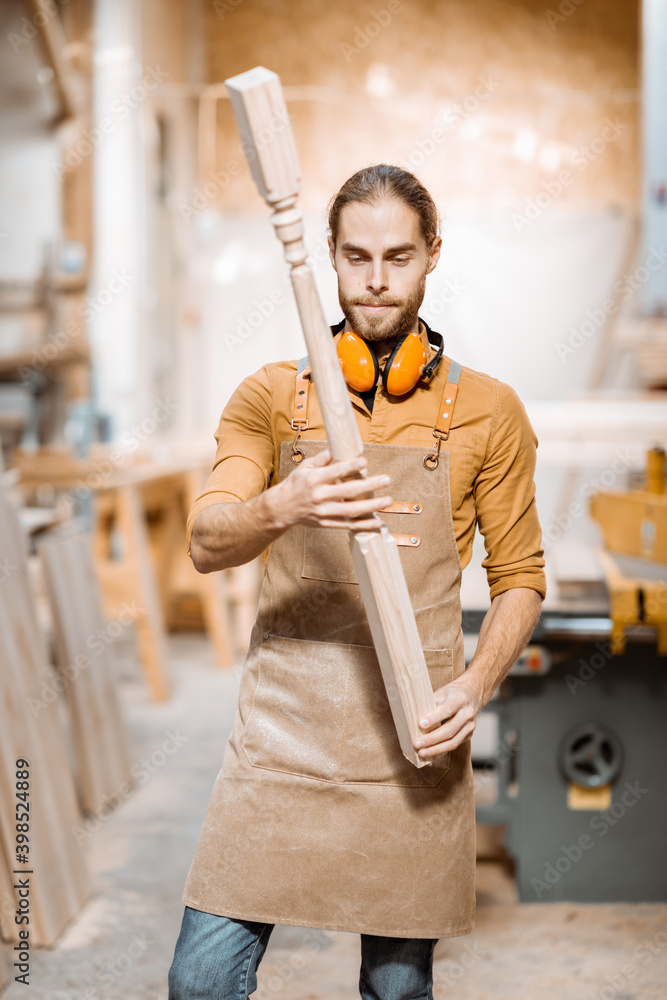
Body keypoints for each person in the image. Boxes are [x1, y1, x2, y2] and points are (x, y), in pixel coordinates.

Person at [168, 164, 546, 1000]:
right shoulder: (271, 398)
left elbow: (520, 576)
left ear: (432, 256)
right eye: (356, 257)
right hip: (280, 742)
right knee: (199, 982)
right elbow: (203, 540)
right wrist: (281, 502)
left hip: (412, 743)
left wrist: (477, 685)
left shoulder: (489, 410)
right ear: (329, 262)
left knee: (397, 989)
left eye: (398, 258)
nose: (376, 282)